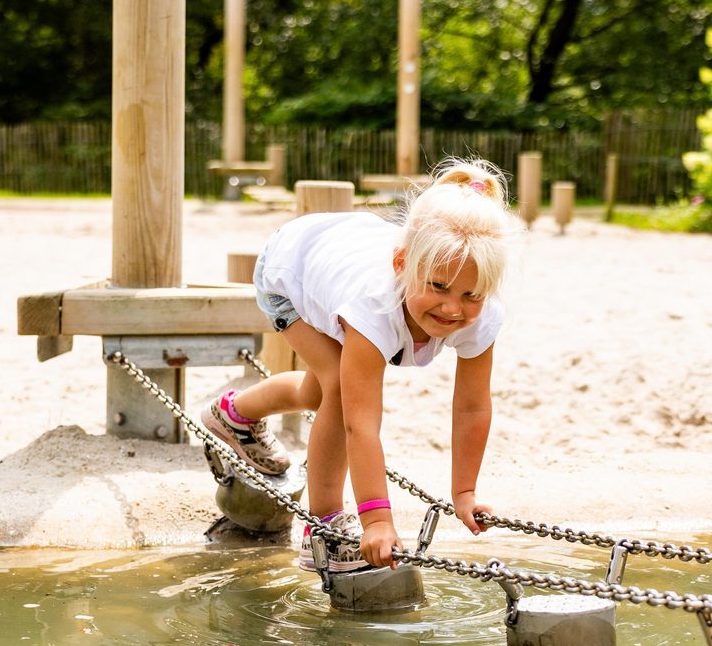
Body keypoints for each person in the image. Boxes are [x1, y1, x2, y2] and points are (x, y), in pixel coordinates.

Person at [201, 158, 523, 573]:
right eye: (438, 287)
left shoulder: (481, 316)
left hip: (340, 261)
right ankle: (324, 526)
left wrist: (464, 492)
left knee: (317, 392)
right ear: (402, 265)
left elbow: (473, 407)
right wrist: (378, 521)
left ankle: (234, 413)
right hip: (291, 269)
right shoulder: (375, 306)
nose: (452, 307)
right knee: (337, 388)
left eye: (471, 295)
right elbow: (362, 424)